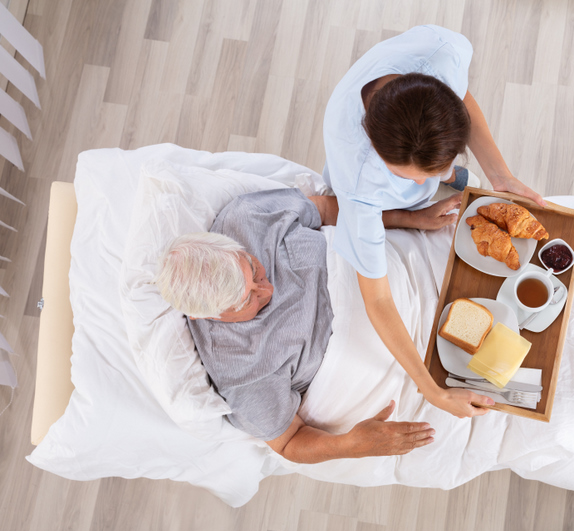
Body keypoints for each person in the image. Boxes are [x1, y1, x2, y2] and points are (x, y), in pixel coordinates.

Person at [156, 188, 491, 463]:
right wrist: (350, 446)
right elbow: (288, 442)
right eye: (247, 301)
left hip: (390, 269)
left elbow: (326, 210)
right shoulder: (242, 372)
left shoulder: (246, 217)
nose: (267, 290)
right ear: (207, 317)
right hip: (389, 356)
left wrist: (413, 219)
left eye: (255, 270)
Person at [322, 25, 543, 418]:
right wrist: (431, 390)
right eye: (416, 176)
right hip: (362, 183)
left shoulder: (444, 52)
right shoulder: (361, 181)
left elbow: (460, 97)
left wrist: (501, 176)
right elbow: (378, 299)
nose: (433, 182)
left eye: (441, 167)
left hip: (414, 135)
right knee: (421, 184)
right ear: (376, 149)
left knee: (439, 177)